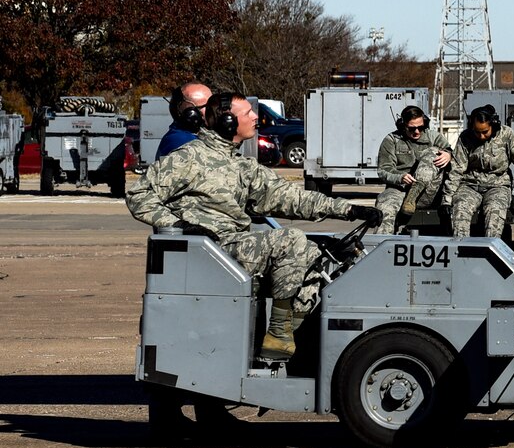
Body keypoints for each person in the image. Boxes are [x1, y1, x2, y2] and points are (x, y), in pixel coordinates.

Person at [125, 91, 374, 361]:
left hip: (232, 248)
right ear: (228, 121)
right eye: (248, 113)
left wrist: (349, 209)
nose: (256, 117)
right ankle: (278, 334)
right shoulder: (189, 158)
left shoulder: (241, 165)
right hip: (210, 251)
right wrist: (178, 226)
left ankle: (293, 342)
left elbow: (291, 197)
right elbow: (139, 195)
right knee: (291, 241)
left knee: (316, 258)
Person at [443, 104, 514, 239]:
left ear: (493, 126)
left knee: (494, 215)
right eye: (477, 132)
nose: (481, 136)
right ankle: (461, 252)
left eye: (485, 132)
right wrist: (446, 200)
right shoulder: (465, 138)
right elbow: (457, 169)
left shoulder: (506, 135)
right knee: (460, 212)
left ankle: (491, 253)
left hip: (497, 186)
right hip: (470, 186)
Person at [372, 104, 451, 234]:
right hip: (399, 189)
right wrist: (400, 177)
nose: (417, 132)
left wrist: (449, 155)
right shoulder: (391, 141)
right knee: (385, 207)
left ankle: (414, 193)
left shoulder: (434, 138)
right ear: (402, 126)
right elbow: (383, 170)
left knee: (433, 151)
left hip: (428, 190)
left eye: (421, 127)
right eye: (412, 128)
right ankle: (382, 246)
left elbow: (454, 156)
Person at [153, 81, 213, 161]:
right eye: (208, 106)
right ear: (191, 113)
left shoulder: (195, 135)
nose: (214, 109)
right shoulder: (182, 142)